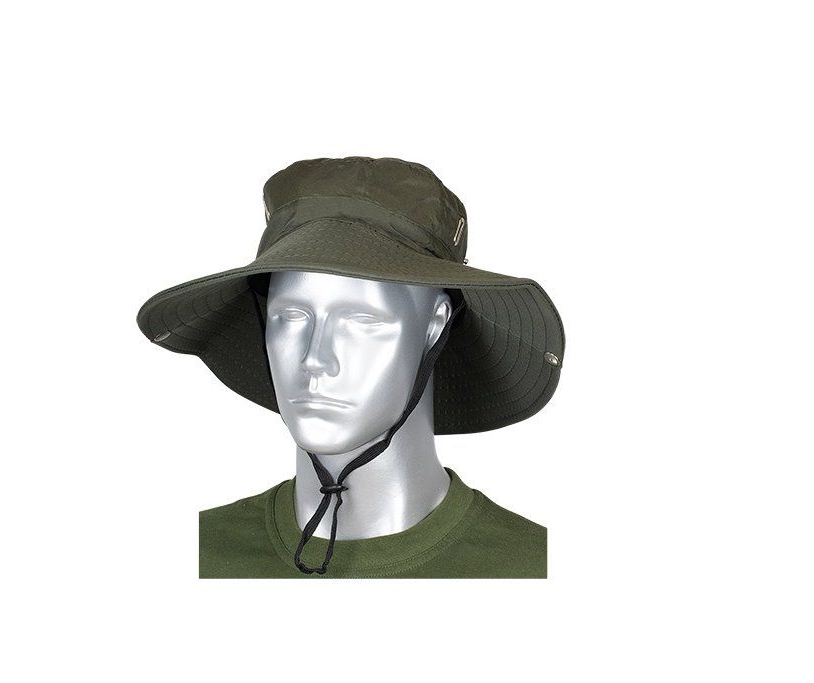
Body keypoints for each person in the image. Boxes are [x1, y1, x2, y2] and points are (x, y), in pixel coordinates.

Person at [136, 156, 566, 577]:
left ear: (435, 325)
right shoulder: (190, 557)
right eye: (292, 316)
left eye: (361, 320)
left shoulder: (535, 570)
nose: (315, 358)